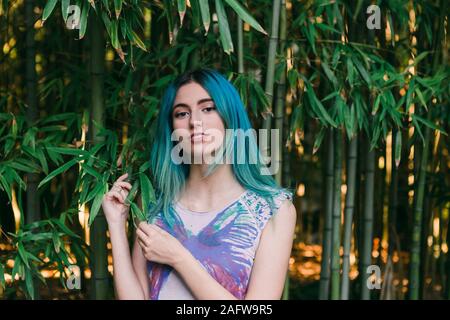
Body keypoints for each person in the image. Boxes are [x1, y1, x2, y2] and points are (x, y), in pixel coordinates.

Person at [102, 68, 297, 300]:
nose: (194, 122)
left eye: (208, 108)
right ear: (172, 128)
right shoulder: (154, 201)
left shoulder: (272, 210)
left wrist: (179, 258)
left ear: (230, 117)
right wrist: (116, 225)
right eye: (181, 114)